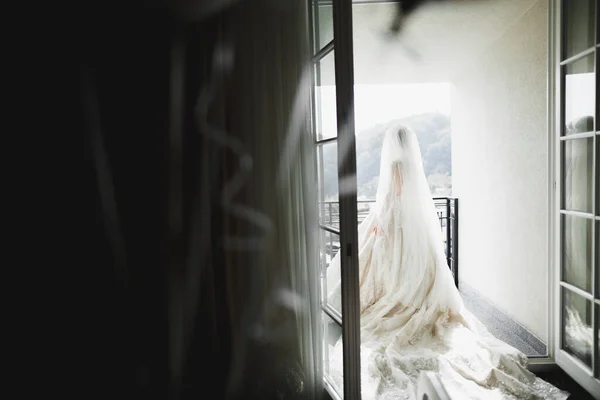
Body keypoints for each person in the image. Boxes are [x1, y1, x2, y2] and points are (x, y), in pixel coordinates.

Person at [325, 125, 568, 399]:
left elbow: (395, 195)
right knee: (414, 273)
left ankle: (392, 300)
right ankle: (413, 300)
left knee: (386, 271)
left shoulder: (395, 165)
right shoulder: (412, 164)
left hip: (398, 223)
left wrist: (382, 223)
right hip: (414, 229)